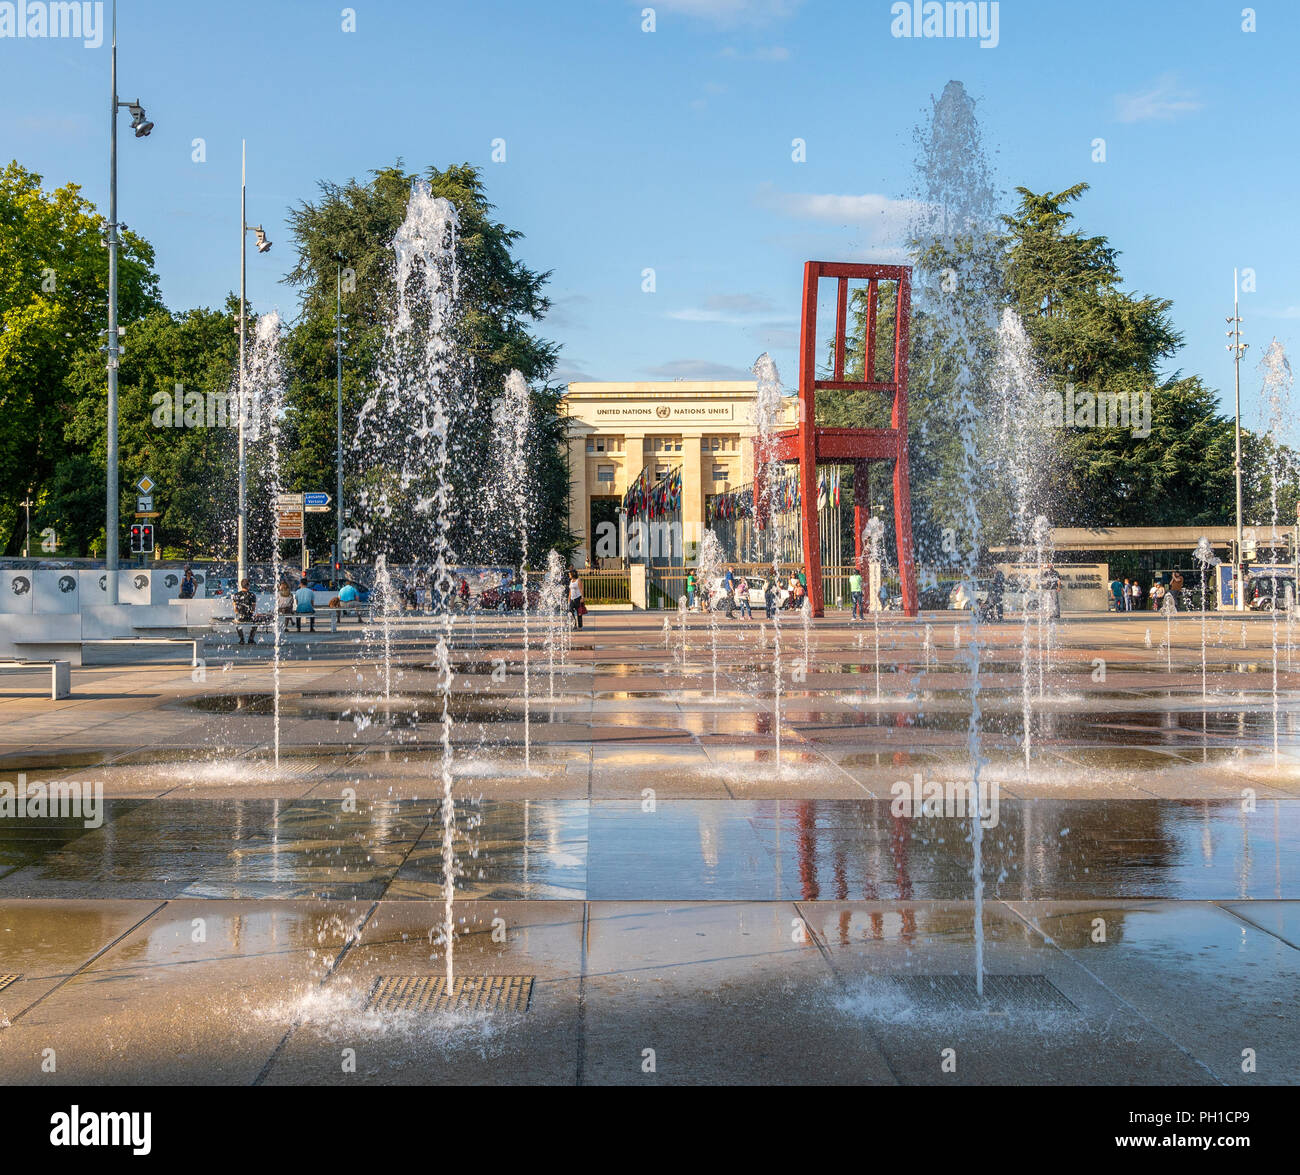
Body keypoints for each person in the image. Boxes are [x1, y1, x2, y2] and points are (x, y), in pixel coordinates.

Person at [233, 577, 258, 644]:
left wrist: (239, 614)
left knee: (237, 621)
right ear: (248, 585)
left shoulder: (236, 595)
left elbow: (235, 609)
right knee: (256, 623)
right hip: (249, 617)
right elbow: (253, 609)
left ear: (241, 585)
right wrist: (250, 613)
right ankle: (251, 639)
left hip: (240, 617)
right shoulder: (252, 595)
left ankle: (241, 639)